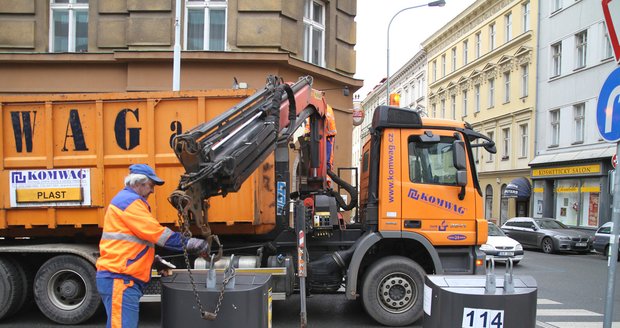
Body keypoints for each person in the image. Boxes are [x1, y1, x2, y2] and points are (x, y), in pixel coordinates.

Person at [96, 164, 209, 328]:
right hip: (121, 278)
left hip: (119, 277)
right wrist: (190, 243)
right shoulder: (130, 202)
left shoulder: (126, 201)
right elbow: (157, 234)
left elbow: (133, 241)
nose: (152, 190)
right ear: (139, 183)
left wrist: (151, 260)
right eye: (151, 185)